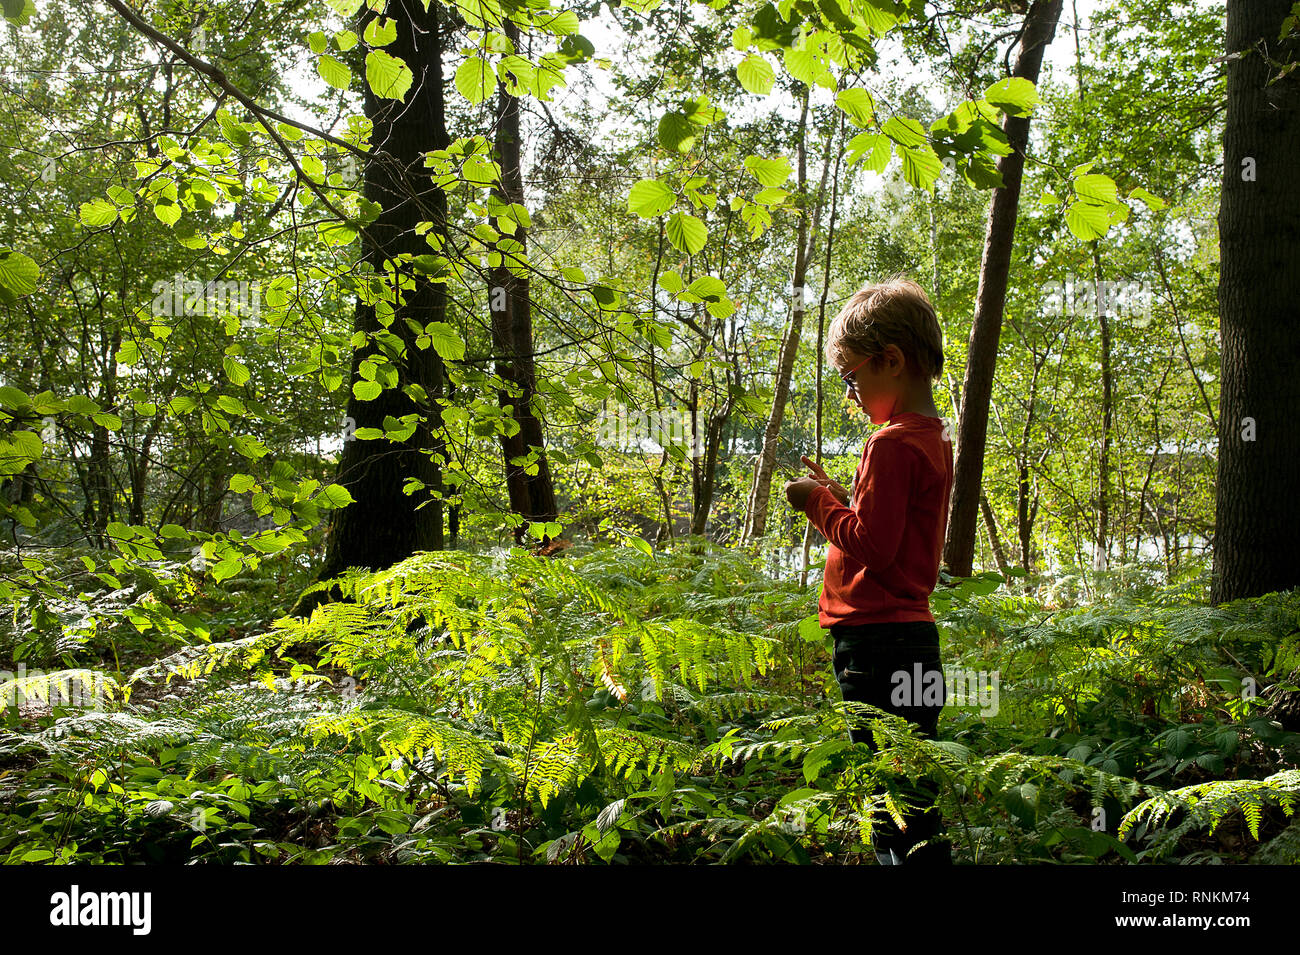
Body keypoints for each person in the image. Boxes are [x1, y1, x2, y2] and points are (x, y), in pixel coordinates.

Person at [783, 275, 954, 866]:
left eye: (853, 378)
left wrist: (813, 501)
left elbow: (872, 549)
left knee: (883, 788)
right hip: (914, 639)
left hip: (875, 640)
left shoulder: (889, 444)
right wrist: (840, 495)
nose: (851, 394)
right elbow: (890, 533)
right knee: (916, 785)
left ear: (892, 360)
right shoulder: (929, 438)